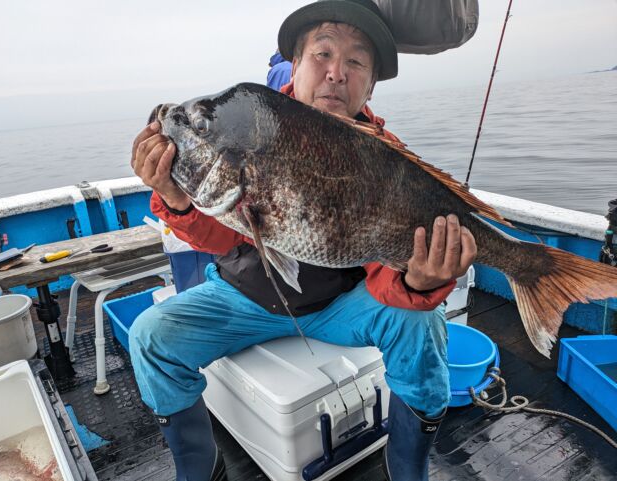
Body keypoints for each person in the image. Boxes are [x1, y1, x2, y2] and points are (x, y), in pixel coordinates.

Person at [129, 1, 477, 480]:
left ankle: (407, 470)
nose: (336, 73)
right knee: (151, 337)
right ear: (295, 64)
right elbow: (220, 237)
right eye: (323, 54)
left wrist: (418, 282)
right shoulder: (249, 124)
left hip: (337, 306)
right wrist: (175, 197)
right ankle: (200, 472)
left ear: (371, 85)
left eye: (356, 62)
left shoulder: (384, 156)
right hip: (243, 298)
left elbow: (382, 272)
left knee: (423, 324)